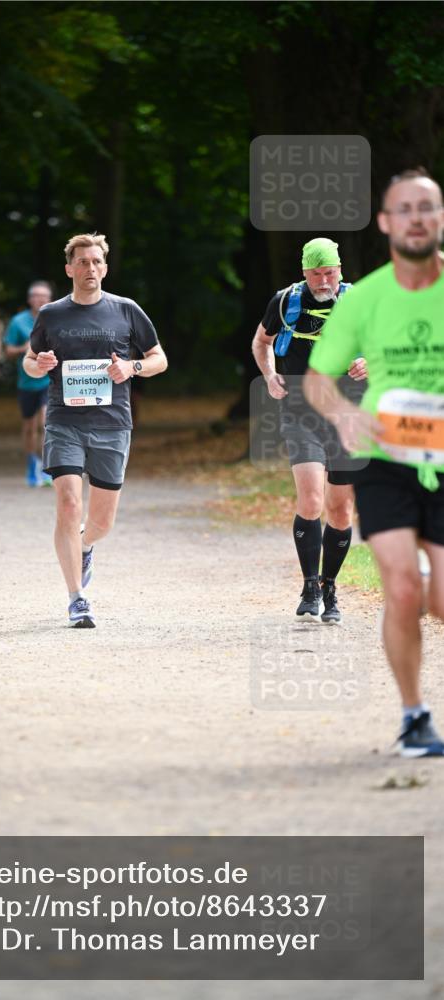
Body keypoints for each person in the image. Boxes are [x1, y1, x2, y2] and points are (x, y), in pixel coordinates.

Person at [304, 168, 444, 757]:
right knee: (403, 589)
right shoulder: (364, 301)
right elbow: (317, 379)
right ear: (386, 223)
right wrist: (341, 414)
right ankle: (414, 715)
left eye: (428, 208)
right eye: (404, 208)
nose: (417, 217)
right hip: (385, 458)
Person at [24, 233, 168, 628]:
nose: (90, 268)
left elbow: (159, 359)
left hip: (112, 425)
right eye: (82, 262)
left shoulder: (125, 310)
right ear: (69, 269)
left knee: (101, 523)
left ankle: (85, 545)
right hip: (64, 422)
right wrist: (41, 364)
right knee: (69, 505)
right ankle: (77, 598)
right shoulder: (52, 314)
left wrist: (132, 367)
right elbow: (30, 361)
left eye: (96, 262)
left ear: (105, 267)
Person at [252, 238, 367, 623]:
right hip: (300, 411)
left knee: (340, 508)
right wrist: (269, 375)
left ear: (340, 269)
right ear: (304, 273)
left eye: (330, 272)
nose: (323, 280)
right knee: (311, 500)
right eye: (316, 273)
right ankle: (310, 584)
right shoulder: (285, 302)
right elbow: (262, 341)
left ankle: (331, 588)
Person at [4, 281, 53, 486]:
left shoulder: (55, 318)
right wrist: (25, 348)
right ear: (29, 299)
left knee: (46, 422)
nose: (40, 299)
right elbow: (8, 351)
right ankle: (32, 464)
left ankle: (48, 467)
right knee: (30, 427)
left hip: (49, 380)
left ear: (49, 299)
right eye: (35, 295)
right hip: (26, 382)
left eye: (44, 296)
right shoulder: (18, 321)